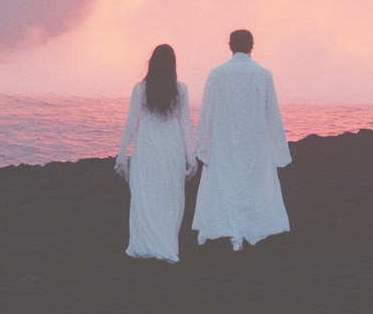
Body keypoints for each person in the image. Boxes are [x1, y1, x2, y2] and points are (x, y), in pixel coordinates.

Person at [192, 29, 292, 251]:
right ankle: (246, 229)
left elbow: (207, 112)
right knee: (252, 184)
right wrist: (280, 152)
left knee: (226, 184)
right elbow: (272, 113)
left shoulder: (216, 74)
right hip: (254, 140)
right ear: (251, 46)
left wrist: (203, 146)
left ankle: (233, 232)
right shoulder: (263, 74)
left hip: (224, 139)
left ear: (230, 46)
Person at [115, 44, 197, 263]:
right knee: (169, 196)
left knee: (145, 195)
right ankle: (166, 243)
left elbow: (131, 123)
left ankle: (144, 244)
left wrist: (122, 154)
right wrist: (192, 159)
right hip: (172, 146)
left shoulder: (140, 89)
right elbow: (186, 126)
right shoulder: (181, 89)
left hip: (147, 146)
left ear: (151, 63)